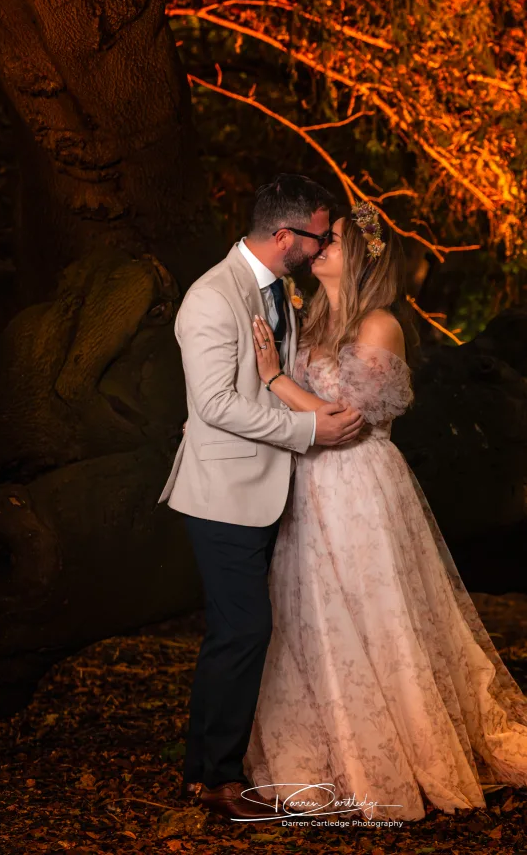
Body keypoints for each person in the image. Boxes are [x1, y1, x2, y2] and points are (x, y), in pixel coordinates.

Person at [242, 201, 527, 823]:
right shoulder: (308, 319)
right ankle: (324, 753)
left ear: (365, 256)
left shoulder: (378, 326)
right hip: (305, 488)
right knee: (309, 615)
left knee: (375, 617)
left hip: (358, 487)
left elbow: (344, 424)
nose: (319, 245)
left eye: (333, 239)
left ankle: (396, 755)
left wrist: (273, 379)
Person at [157, 175, 366, 822]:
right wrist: (310, 429)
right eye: (320, 236)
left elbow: (269, 378)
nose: (325, 244)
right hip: (222, 492)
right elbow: (215, 405)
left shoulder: (277, 289)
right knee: (243, 629)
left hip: (268, 487)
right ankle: (216, 781)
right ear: (284, 237)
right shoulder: (212, 299)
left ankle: (206, 770)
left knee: (240, 631)